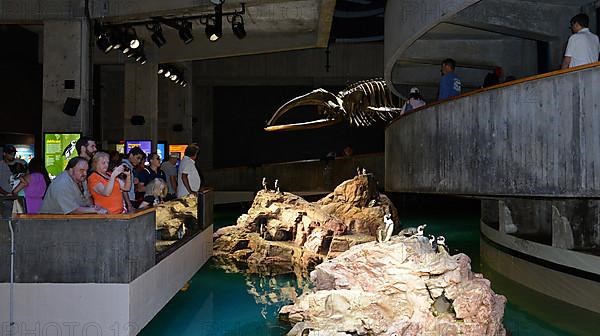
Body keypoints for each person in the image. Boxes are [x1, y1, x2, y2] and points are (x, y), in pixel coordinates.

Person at [39, 157, 108, 214]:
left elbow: (87, 199)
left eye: (86, 170)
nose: (85, 173)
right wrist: (95, 210)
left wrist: (93, 207)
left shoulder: (80, 179)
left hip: (69, 221)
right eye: (81, 170)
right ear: (71, 170)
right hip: (51, 222)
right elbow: (73, 210)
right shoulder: (62, 184)